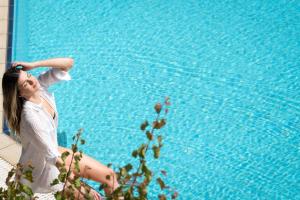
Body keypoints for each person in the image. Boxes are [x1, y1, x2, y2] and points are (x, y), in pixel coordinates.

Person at [2, 58, 119, 199]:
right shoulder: (30, 117)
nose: (32, 81)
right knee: (92, 198)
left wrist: (34, 65)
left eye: (28, 76)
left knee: (110, 176)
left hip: (56, 153)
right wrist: (80, 186)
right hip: (45, 170)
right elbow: (52, 158)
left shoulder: (41, 88)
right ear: (20, 93)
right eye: (26, 83)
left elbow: (68, 63)